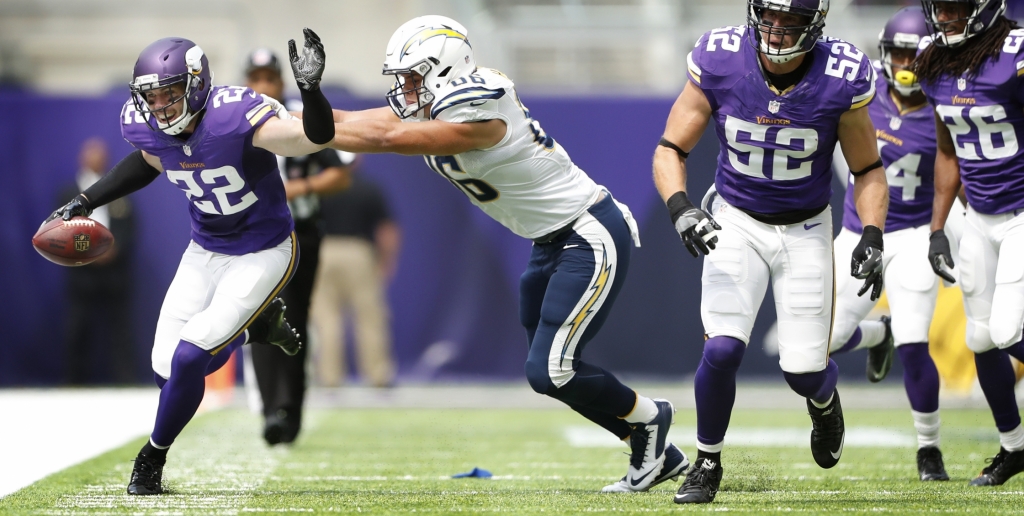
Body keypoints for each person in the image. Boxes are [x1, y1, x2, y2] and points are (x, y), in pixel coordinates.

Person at [322, 15, 687, 493]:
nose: (406, 91)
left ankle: (651, 416)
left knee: (551, 370)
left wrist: (316, 127)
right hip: (550, 241)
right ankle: (650, 445)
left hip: (588, 231)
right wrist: (296, 109)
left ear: (443, 68)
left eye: (413, 78)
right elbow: (361, 121)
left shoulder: (480, 102)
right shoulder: (439, 105)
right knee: (548, 374)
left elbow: (389, 138)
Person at [43, 29, 336, 495]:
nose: (159, 107)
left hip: (264, 249)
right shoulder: (148, 127)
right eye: (151, 97)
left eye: (169, 93)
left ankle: (152, 458)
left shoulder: (236, 115)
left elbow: (312, 139)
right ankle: (255, 329)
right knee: (168, 371)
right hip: (205, 249)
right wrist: (85, 200)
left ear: (197, 84)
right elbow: (147, 160)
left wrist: (311, 91)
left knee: (190, 355)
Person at [653, 0, 890, 504]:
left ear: (815, 25)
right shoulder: (721, 59)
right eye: (771, 17)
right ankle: (707, 461)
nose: (777, 32)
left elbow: (867, 168)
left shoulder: (840, 75)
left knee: (802, 371)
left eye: (792, 22)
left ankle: (824, 403)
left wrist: (871, 231)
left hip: (805, 229)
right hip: (735, 219)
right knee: (721, 348)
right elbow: (671, 147)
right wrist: (680, 207)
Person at [828, 6, 954, 481]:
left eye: (914, 55)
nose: (905, 64)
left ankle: (929, 447)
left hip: (914, 235)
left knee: (916, 343)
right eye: (897, 53)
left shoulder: (946, 105)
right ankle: (875, 335)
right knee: (821, 343)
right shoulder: (863, 95)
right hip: (858, 233)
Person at [917, 0, 1024, 486]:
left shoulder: (1015, 53)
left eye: (957, 8)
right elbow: (947, 151)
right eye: (940, 8)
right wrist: (938, 227)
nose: (946, 17)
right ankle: (1014, 448)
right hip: (978, 215)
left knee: (1005, 331)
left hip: (1022, 212)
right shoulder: (932, 61)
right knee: (980, 338)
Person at [242, 47, 351, 446]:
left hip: (300, 232)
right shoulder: (231, 122)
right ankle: (275, 409)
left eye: (269, 78)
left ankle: (290, 410)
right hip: (253, 234)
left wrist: (298, 188)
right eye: (256, 79)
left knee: (294, 317)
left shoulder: (296, 119)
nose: (263, 86)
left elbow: (339, 175)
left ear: (280, 83)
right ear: (246, 83)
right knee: (259, 315)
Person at [310, 170, 400, 388]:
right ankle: (378, 375)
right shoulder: (367, 188)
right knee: (369, 316)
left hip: (324, 250)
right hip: (358, 252)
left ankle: (329, 377)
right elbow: (387, 230)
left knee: (326, 319)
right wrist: (387, 261)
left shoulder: (318, 187)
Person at [60, 137, 137, 385]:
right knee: (79, 327)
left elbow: (129, 225)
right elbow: (60, 231)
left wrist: (113, 250)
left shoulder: (117, 189)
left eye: (101, 155)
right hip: (82, 271)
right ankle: (75, 381)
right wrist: (87, 253)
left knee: (120, 329)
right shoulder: (68, 193)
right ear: (82, 158)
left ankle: (125, 379)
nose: (97, 159)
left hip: (113, 270)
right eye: (92, 155)